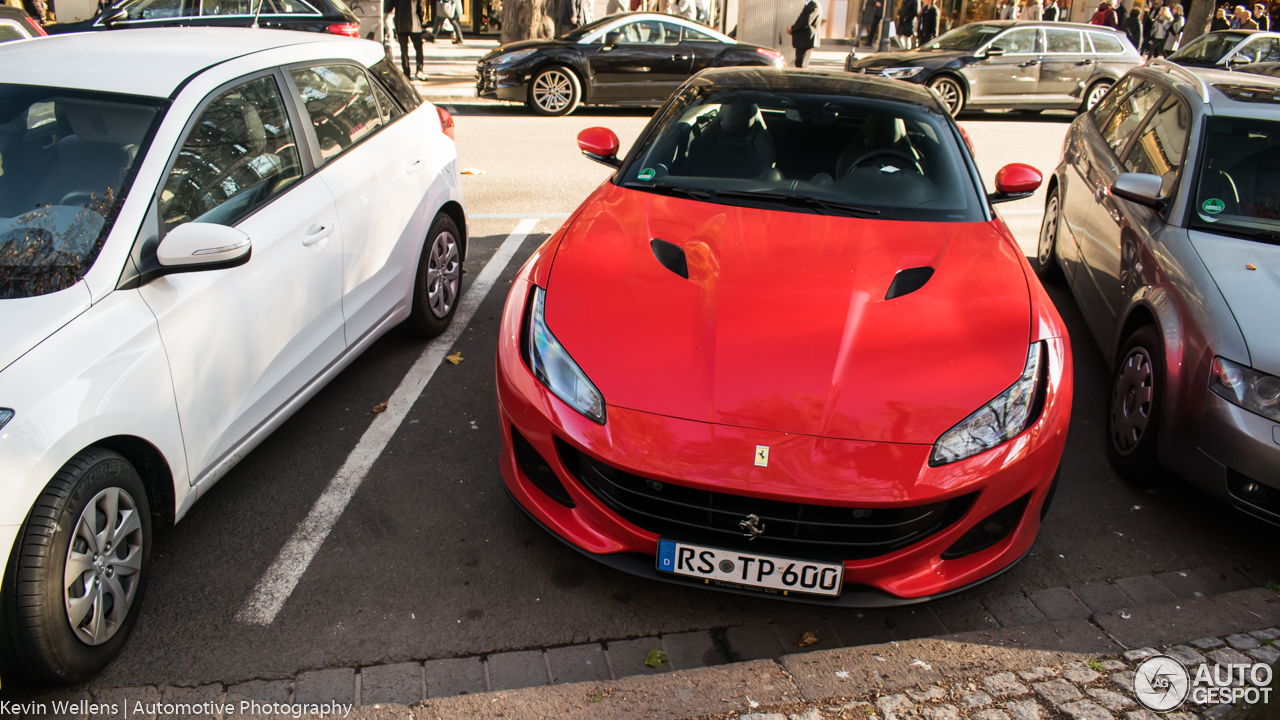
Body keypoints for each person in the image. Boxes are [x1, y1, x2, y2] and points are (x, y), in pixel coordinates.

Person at [386, 0, 428, 77]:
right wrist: (420, 20)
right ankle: (419, 70)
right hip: (414, 24)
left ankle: (406, 72)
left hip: (401, 23)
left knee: (404, 50)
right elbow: (421, 9)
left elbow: (388, 7)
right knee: (418, 47)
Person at [787, 0, 824, 66]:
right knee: (800, 63)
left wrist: (793, 28)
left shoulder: (814, 5)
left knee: (801, 65)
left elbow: (806, 22)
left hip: (805, 40)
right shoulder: (811, 4)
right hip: (804, 41)